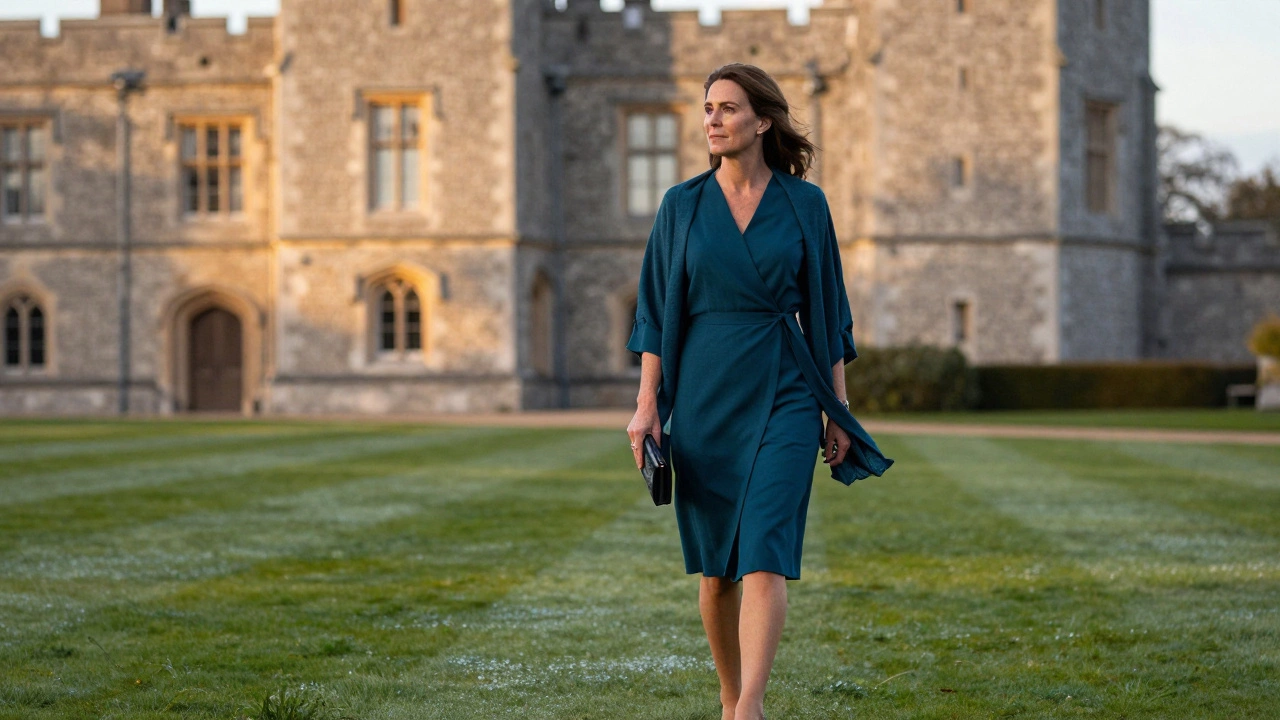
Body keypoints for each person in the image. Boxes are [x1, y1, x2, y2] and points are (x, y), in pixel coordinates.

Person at [625, 63, 893, 720]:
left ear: (763, 120)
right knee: (718, 571)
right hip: (707, 395)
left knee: (766, 550)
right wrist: (646, 406)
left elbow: (829, 313)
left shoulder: (807, 205)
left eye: (727, 108)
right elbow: (658, 314)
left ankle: (750, 708)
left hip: (787, 389)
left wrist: (839, 408)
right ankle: (728, 693)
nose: (711, 119)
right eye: (708, 108)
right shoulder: (680, 205)